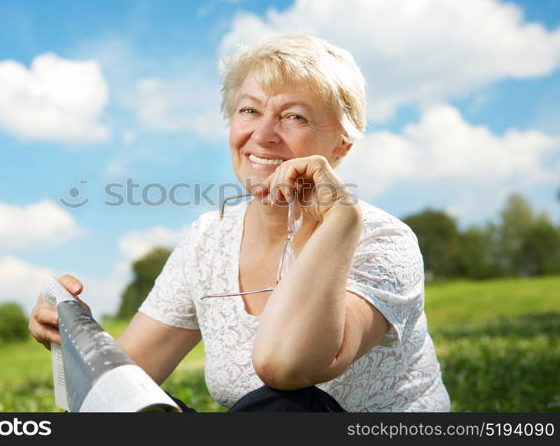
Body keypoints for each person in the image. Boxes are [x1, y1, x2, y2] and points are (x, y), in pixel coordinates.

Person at [29, 34, 451, 412]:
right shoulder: (207, 239)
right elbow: (127, 385)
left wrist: (341, 219)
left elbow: (286, 368)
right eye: (249, 110)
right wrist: (72, 337)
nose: (263, 134)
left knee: (288, 407)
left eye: (294, 117)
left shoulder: (384, 241)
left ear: (342, 143)